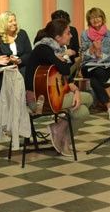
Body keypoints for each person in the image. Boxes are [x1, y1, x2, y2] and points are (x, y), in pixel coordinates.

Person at [25, 18, 93, 156]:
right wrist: (64, 56)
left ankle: (63, 136)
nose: (71, 36)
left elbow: (63, 77)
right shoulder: (43, 49)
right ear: (57, 37)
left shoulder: (55, 49)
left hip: (52, 94)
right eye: (68, 33)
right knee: (88, 98)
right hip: (39, 101)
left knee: (83, 112)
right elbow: (65, 70)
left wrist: (75, 91)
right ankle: (60, 131)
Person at [80, 7, 110, 121]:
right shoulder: (84, 34)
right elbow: (83, 56)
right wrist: (92, 50)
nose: (96, 20)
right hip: (88, 66)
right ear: (89, 21)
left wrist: (101, 55)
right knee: (97, 72)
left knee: (95, 80)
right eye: (92, 18)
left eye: (98, 17)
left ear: (103, 18)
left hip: (105, 66)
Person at [0, 11, 32, 75]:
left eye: (15, 20)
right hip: (5, 71)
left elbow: (29, 53)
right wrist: (10, 60)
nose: (14, 23)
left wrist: (19, 60)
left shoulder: (22, 33)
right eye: (10, 21)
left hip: (23, 68)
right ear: (3, 24)